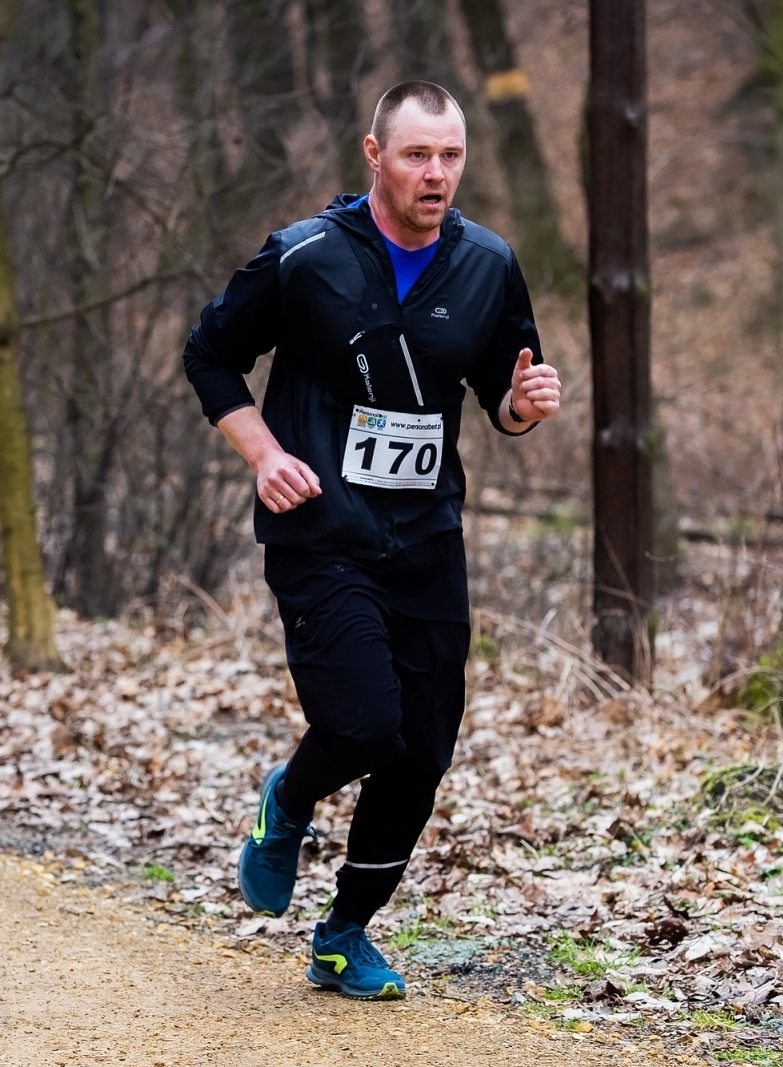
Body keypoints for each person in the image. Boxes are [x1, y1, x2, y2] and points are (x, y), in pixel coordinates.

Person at [181, 80, 563, 1000]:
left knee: (422, 747)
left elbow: (500, 395)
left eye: (451, 157)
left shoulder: (487, 264)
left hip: (427, 536)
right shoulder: (304, 257)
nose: (436, 174)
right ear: (373, 155)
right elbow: (210, 353)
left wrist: (523, 408)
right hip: (321, 529)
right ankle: (288, 798)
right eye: (417, 155)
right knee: (361, 721)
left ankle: (345, 931)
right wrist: (264, 453)